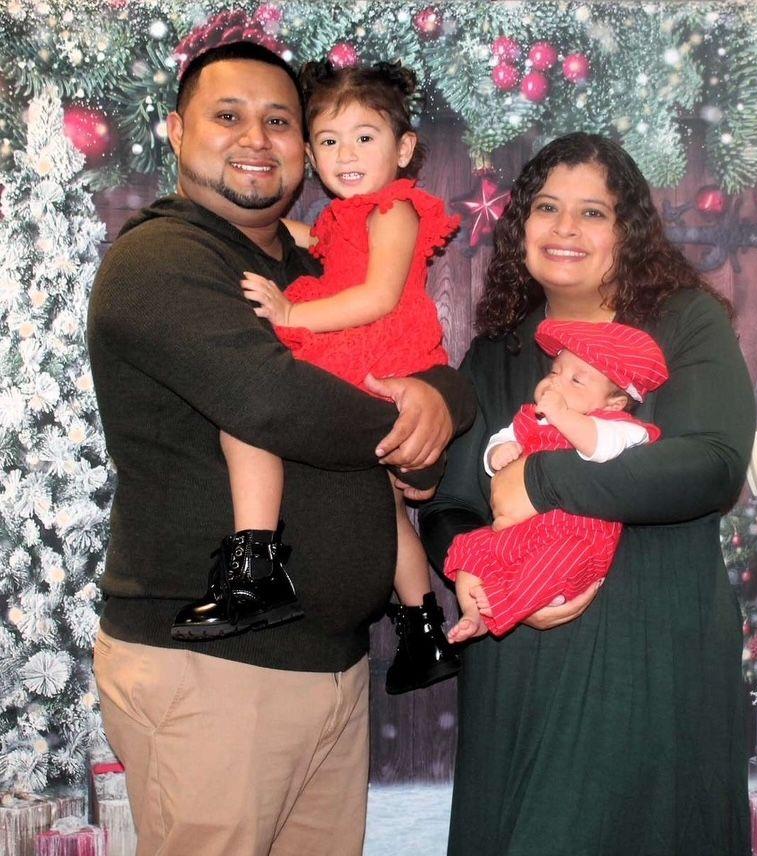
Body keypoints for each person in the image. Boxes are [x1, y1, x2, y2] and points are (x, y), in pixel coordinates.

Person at [87, 40, 474, 856]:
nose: (255, 138)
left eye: (279, 121)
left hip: (332, 669)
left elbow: (420, 365)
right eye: (227, 116)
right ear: (175, 131)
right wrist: (411, 419)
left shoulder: (313, 260)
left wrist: (442, 401)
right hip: (216, 677)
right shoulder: (164, 258)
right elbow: (276, 403)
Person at [419, 132, 754, 854]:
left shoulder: (685, 322)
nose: (565, 228)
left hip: (649, 661)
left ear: (627, 231)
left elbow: (713, 466)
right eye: (547, 207)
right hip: (519, 667)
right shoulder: (498, 353)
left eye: (593, 212)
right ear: (521, 226)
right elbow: (450, 506)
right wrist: (467, 568)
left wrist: (543, 480)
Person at [174, 60, 461, 695]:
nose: (346, 154)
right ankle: (423, 630)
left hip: (374, 349)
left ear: (404, 149)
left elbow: (380, 295)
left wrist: (291, 314)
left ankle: (255, 561)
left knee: (246, 420)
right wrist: (233, 220)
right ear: (310, 153)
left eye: (365, 137)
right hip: (374, 355)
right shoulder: (344, 218)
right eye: (329, 141)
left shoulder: (393, 209)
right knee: (385, 505)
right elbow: (298, 236)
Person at [445, 318, 668, 641]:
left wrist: (561, 415)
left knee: (551, 567)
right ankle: (474, 614)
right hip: (518, 533)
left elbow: (599, 448)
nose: (556, 383)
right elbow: (501, 439)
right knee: (471, 549)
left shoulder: (621, 427)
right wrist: (499, 453)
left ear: (615, 402)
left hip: (574, 539)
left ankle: (506, 602)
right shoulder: (533, 417)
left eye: (576, 380)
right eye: (554, 372)